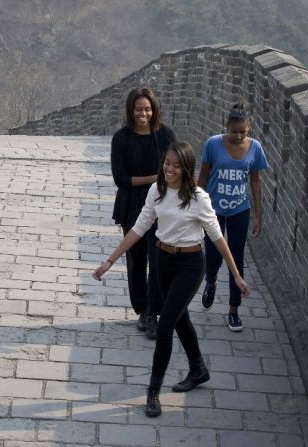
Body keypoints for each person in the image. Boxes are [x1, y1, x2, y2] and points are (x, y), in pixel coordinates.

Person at [93, 141, 249, 418]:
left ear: (187, 168)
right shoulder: (157, 190)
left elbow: (217, 236)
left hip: (189, 264)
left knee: (164, 327)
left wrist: (235, 275)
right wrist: (110, 261)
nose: (170, 169)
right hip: (162, 261)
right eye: (167, 163)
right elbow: (140, 227)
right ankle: (198, 368)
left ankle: (153, 392)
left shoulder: (198, 197)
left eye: (176, 165)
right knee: (181, 319)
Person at [110, 87, 176, 339]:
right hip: (133, 205)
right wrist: (154, 178)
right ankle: (143, 309)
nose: (143, 113)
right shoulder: (121, 138)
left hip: (162, 204)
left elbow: (178, 166)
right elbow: (121, 178)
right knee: (137, 259)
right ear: (130, 110)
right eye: (139, 109)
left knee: (158, 258)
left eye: (147, 109)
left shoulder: (165, 135)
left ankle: (155, 310)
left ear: (154, 109)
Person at [198, 100, 269, 332]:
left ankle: (233, 310)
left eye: (243, 132)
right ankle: (210, 281)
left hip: (240, 209)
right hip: (213, 210)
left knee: (236, 258)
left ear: (249, 129)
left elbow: (256, 181)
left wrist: (258, 215)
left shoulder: (255, 148)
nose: (238, 136)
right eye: (234, 131)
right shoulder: (213, 144)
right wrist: (195, 206)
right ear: (226, 126)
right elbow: (203, 176)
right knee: (213, 256)